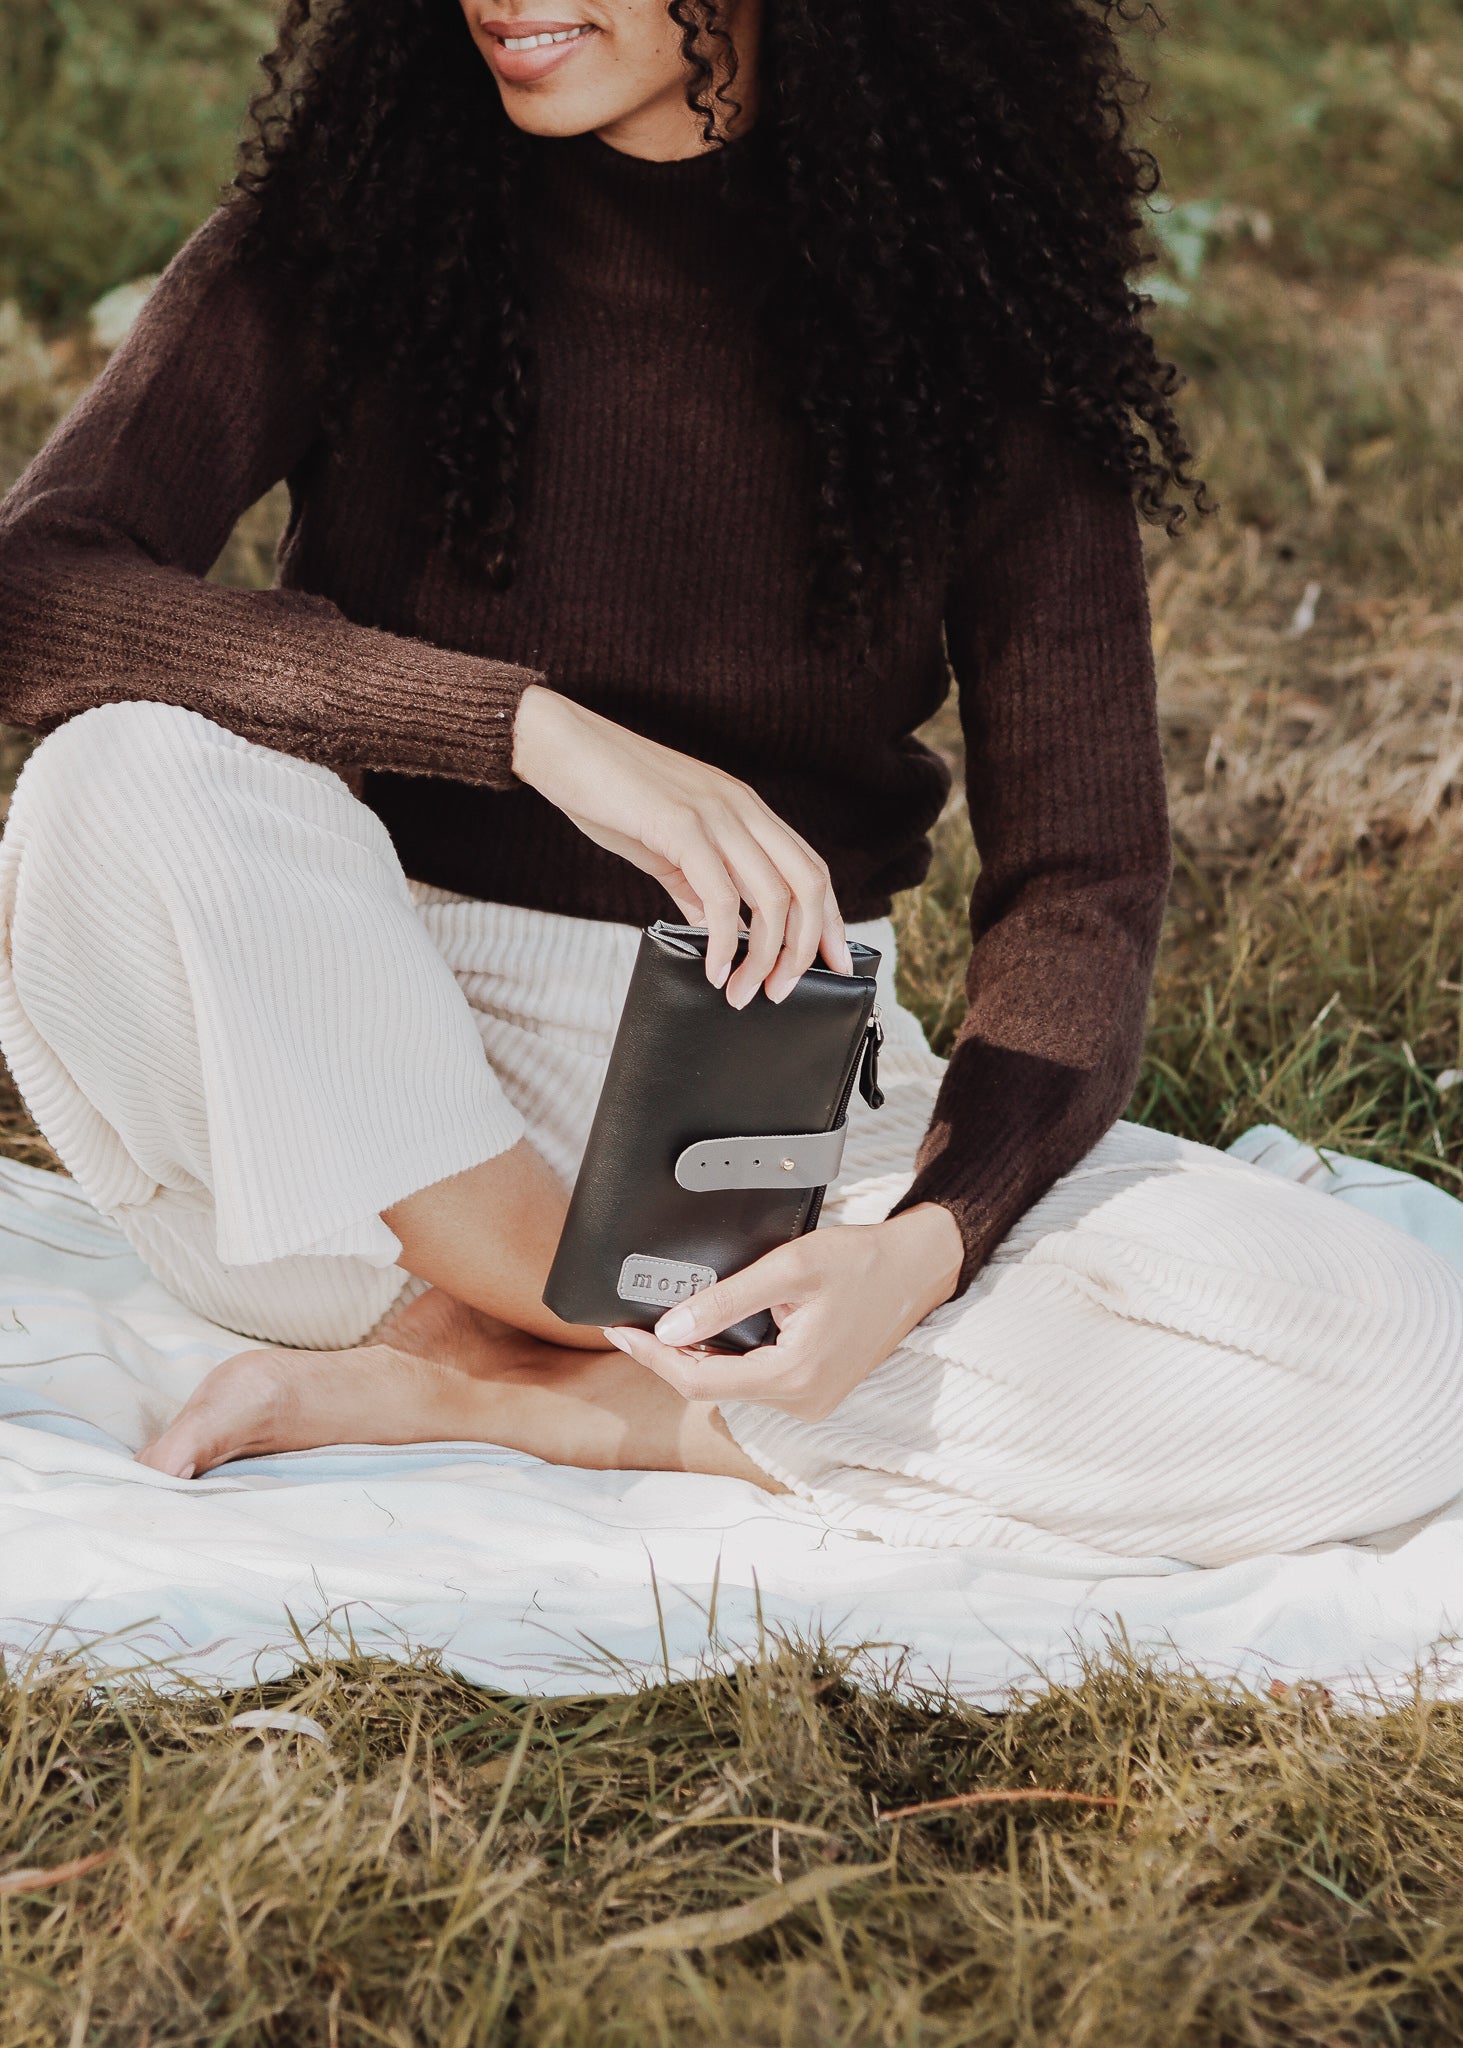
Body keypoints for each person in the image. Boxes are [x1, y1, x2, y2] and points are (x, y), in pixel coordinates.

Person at [0, 0, 1460, 1571]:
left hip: (760, 1127)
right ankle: (553, 1306)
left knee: (1405, 1363)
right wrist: (531, 733)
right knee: (123, 770)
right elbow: (37, 589)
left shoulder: (984, 308)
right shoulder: (360, 218)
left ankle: (566, 1394)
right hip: (352, 1132)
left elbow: (1084, 880)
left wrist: (925, 1247)